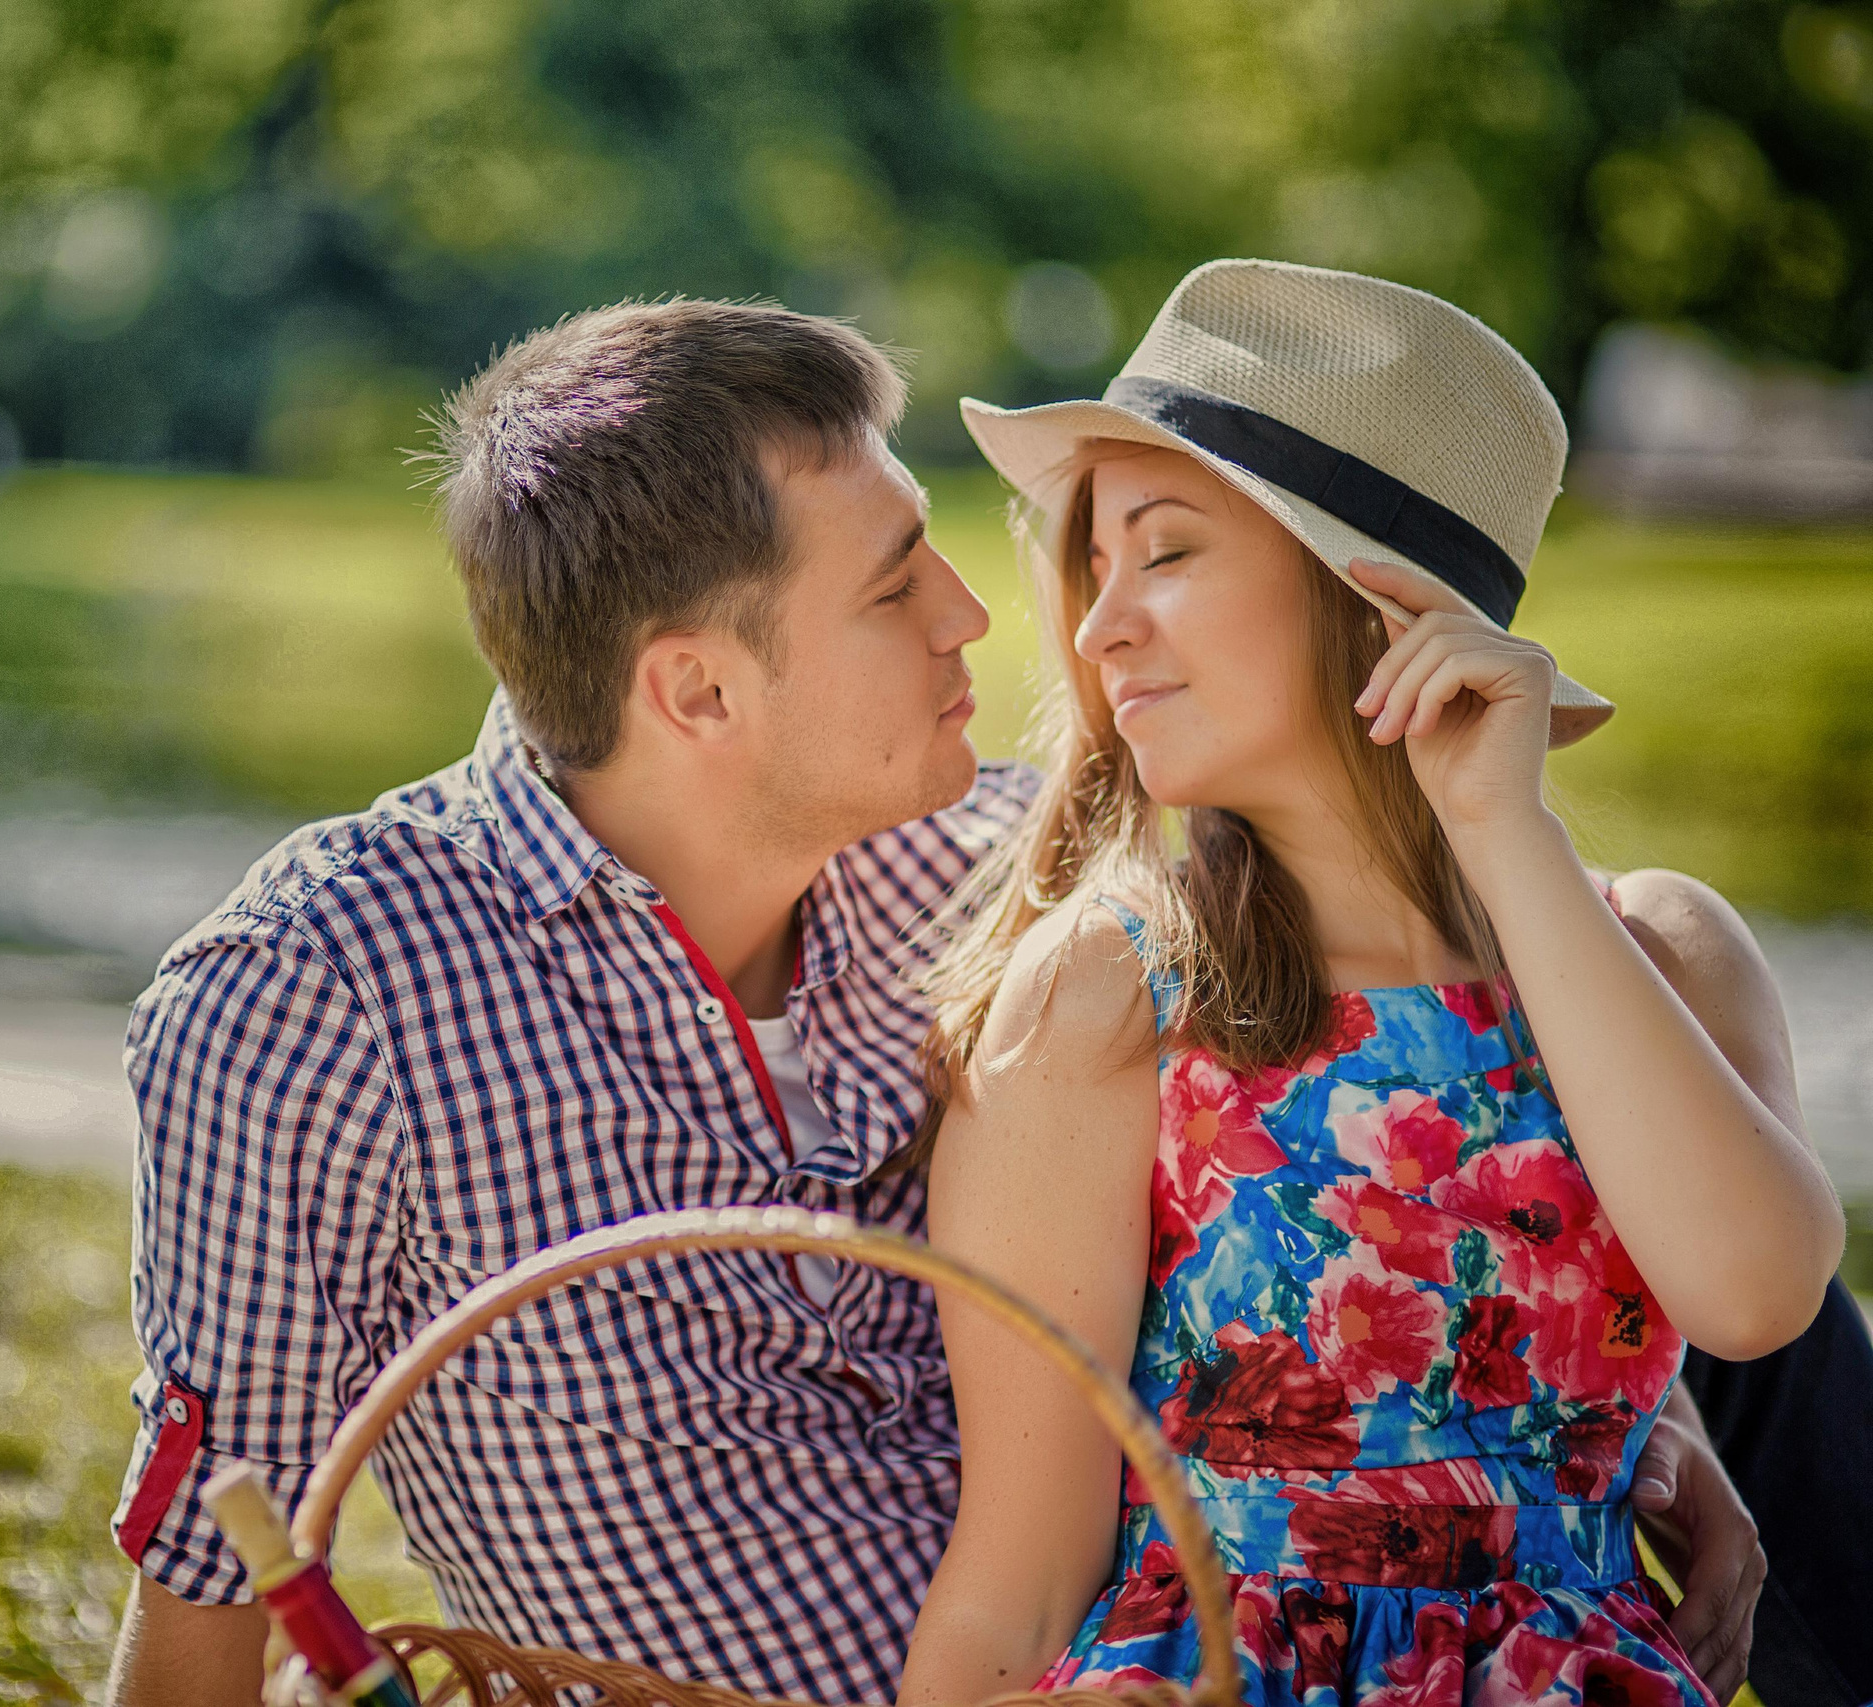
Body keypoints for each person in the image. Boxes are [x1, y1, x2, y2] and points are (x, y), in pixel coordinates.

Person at [100, 297, 1778, 1707]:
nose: (993, 619)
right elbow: (209, 1572)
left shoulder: (979, 854)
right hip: (1059, 1650)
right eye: (900, 583)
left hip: (1443, 1602)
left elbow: (1493, 1130)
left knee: (1730, 1156)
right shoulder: (323, 1001)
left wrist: (1618, 1406)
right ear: (696, 690)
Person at [897, 260, 1853, 1707]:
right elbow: (1017, 1583)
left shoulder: (1657, 948)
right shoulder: (1115, 995)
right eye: (1095, 567)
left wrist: (1505, 834)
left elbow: (1753, 1296)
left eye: (1163, 553)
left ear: (1374, 594)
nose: (1097, 632)